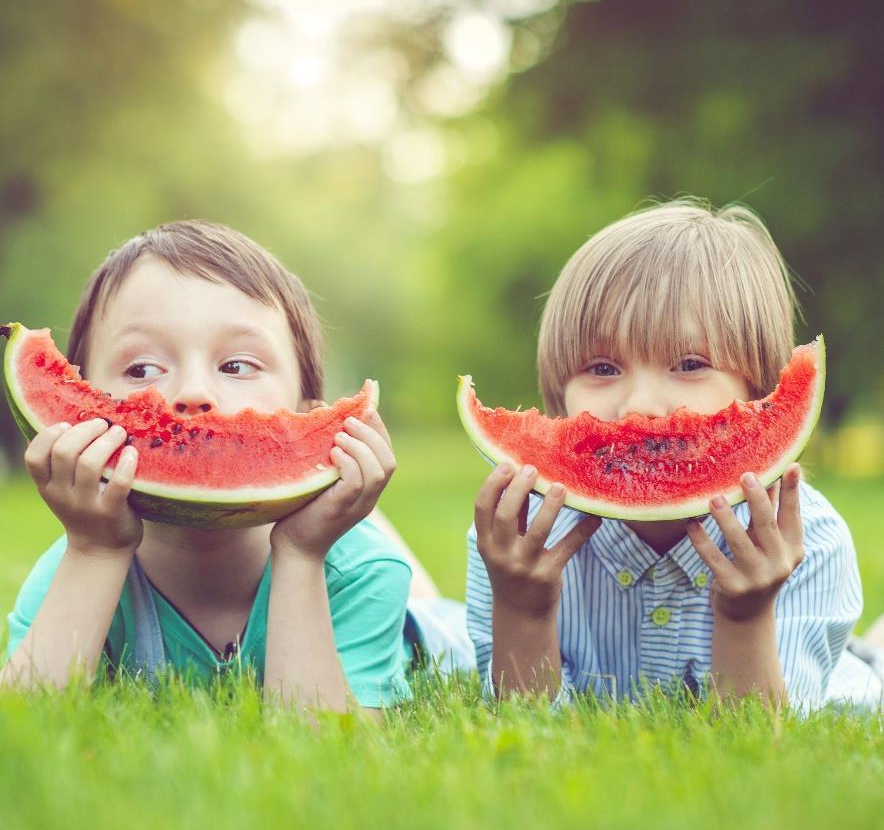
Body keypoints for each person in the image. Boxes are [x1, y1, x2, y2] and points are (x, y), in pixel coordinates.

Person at [466, 199, 883, 711]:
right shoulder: (516, 542)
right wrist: (521, 609)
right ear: (559, 393)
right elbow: (523, 726)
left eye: (689, 363)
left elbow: (762, 744)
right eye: (601, 368)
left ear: (761, 392)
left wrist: (746, 615)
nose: (641, 406)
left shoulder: (810, 543)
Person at [2, 220, 425, 718]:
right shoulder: (71, 566)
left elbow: (323, 751)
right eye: (140, 370)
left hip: (402, 603)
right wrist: (96, 552)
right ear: (84, 400)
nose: (193, 393)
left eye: (237, 365)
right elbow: (21, 735)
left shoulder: (360, 573)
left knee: (434, 616)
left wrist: (302, 555)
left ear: (310, 414)